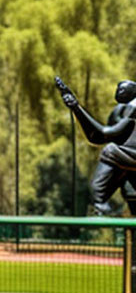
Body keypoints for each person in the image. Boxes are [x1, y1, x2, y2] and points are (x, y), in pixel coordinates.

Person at [56, 76, 136, 214]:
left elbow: (104, 133)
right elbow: (96, 137)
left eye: (123, 89)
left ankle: (100, 202)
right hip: (128, 163)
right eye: (118, 88)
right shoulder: (120, 111)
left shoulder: (131, 110)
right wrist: (76, 109)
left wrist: (76, 107)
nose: (119, 91)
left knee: (110, 151)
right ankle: (101, 204)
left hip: (130, 157)